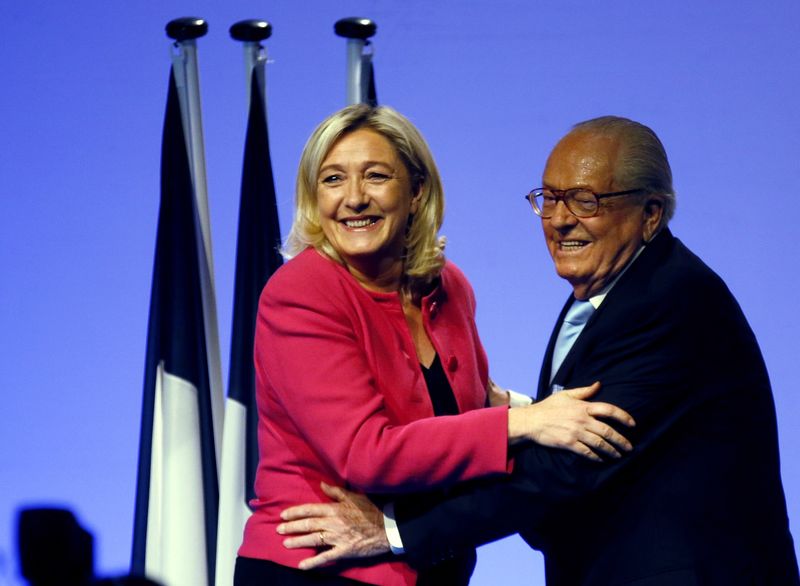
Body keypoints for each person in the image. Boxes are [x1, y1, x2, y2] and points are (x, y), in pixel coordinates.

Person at [278, 116, 800, 585]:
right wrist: (522, 411)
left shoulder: (673, 302)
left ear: (651, 214)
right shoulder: (611, 291)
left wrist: (395, 531)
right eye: (548, 198)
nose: (560, 219)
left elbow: (565, 467)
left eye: (586, 200)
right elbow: (581, 415)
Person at [234, 105, 636, 586]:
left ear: (416, 190)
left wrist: (536, 413)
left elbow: (469, 411)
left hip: (432, 566)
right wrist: (525, 423)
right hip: (317, 567)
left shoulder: (450, 287)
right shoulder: (300, 292)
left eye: (376, 176)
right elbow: (368, 454)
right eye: (333, 180)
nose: (354, 198)